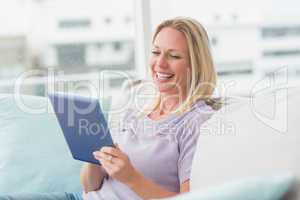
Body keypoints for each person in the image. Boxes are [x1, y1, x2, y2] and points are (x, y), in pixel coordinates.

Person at [80, 17, 217, 200]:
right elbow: (90, 186)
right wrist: (95, 156)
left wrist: (132, 178)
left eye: (174, 56)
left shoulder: (197, 121)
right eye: (155, 52)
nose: (160, 64)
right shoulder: (136, 107)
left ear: (196, 65)